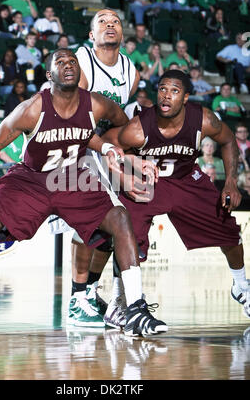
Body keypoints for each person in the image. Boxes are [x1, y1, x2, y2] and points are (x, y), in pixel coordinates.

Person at [0, 48, 167, 337]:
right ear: (49, 75)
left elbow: (116, 127)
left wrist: (114, 150)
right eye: (60, 62)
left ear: (79, 72)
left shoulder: (97, 105)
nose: (68, 65)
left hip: (73, 178)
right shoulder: (32, 108)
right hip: (31, 180)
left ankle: (135, 308)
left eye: (72, 61)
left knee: (120, 217)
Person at [96, 69, 250, 322]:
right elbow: (105, 145)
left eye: (175, 91)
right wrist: (124, 176)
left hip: (186, 179)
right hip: (148, 181)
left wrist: (231, 181)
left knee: (228, 230)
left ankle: (241, 286)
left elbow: (229, 140)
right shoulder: (138, 127)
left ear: (186, 97)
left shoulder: (204, 119)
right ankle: (119, 302)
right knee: (127, 236)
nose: (167, 96)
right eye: (163, 89)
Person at [65, 8, 140, 328]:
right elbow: (72, 113)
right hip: (71, 146)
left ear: (123, 35)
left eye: (116, 23)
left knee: (112, 228)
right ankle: (76, 298)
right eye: (103, 23)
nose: (110, 25)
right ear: (91, 35)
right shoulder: (81, 60)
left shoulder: (130, 69)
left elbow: (123, 117)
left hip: (104, 148)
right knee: (88, 223)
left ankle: (91, 292)